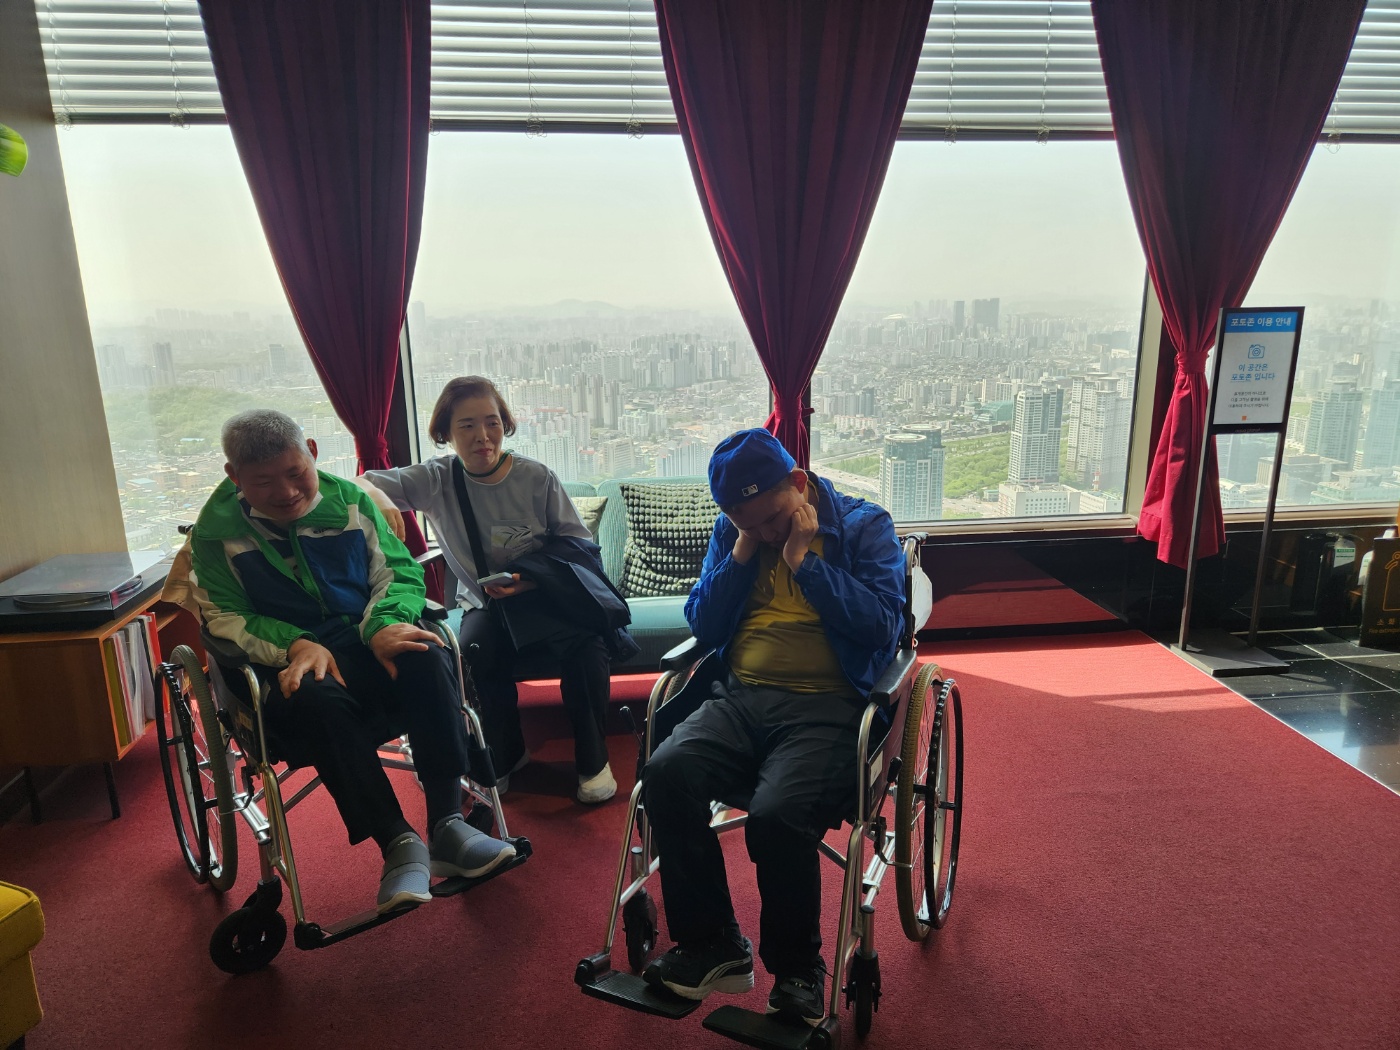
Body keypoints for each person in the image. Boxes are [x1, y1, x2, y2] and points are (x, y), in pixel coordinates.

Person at [187, 409, 517, 914]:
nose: (286, 492)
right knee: (314, 696)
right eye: (264, 482)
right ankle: (396, 840)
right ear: (235, 477)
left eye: (296, 472)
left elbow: (398, 572)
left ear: (313, 452)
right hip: (286, 661)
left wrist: (384, 624)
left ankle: (447, 824)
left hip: (363, 637)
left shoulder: (350, 503)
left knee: (425, 654)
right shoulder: (215, 537)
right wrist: (295, 644)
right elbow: (225, 617)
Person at [641, 428, 905, 1026]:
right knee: (667, 772)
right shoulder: (735, 535)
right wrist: (738, 557)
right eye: (747, 525)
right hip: (742, 697)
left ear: (799, 483)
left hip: (828, 705)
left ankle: (798, 970)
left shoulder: (864, 526)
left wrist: (805, 563)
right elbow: (704, 626)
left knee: (778, 812)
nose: (764, 533)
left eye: (772, 519)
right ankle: (714, 943)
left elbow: (882, 628)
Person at [355, 376, 634, 805]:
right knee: (477, 649)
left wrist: (531, 579)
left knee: (586, 649)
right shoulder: (436, 480)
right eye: (466, 426)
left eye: (492, 423)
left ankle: (593, 759)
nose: (482, 436)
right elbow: (357, 484)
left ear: (505, 425)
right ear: (446, 433)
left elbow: (579, 546)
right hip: (484, 603)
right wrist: (383, 499)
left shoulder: (535, 477)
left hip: (546, 599)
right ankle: (507, 751)